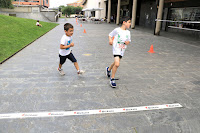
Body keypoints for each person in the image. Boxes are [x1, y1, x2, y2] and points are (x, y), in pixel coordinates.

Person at [106, 17, 131, 88]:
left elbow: (129, 41)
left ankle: (108, 69)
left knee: (115, 63)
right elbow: (110, 35)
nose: (130, 24)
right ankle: (112, 79)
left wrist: (127, 42)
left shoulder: (128, 32)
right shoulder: (117, 30)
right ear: (124, 22)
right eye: (129, 22)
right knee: (117, 64)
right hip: (116, 48)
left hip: (122, 49)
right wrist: (110, 40)